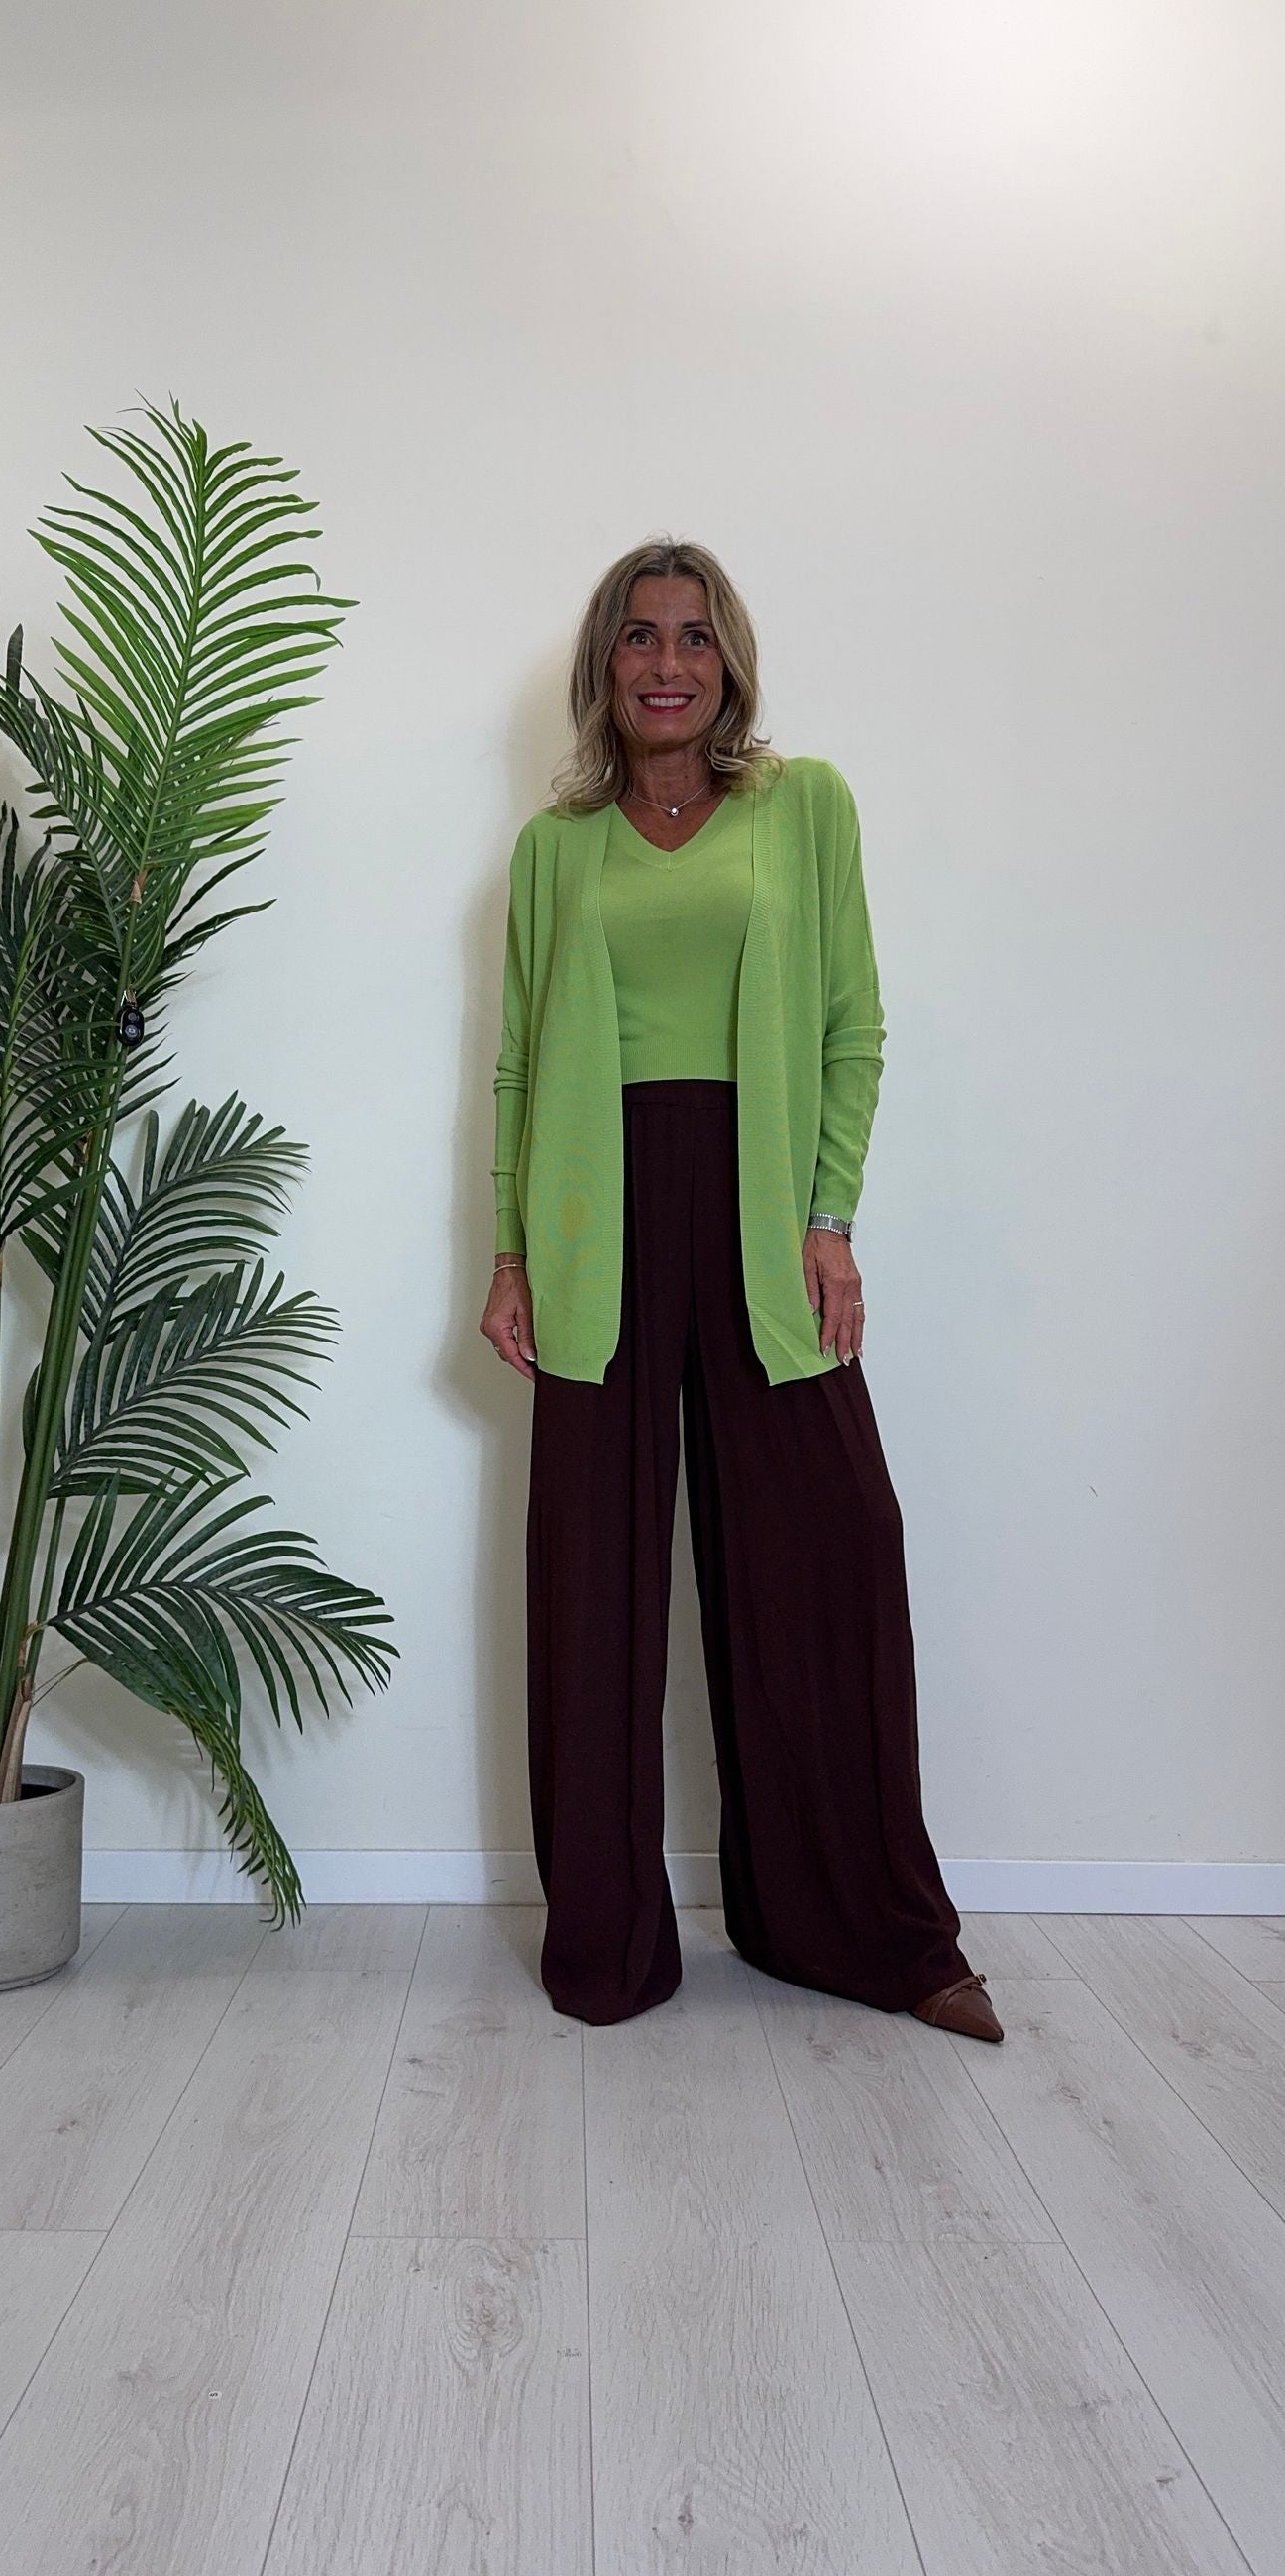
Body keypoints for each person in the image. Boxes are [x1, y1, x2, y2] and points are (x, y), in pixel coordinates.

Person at [480, 538, 1003, 2043]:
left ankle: (865, 1933)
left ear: (731, 663)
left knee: (832, 1552)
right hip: (594, 1220)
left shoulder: (804, 805)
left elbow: (852, 1022)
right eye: (641, 637)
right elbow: (520, 1064)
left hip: (764, 1216)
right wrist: (510, 1254)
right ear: (605, 665)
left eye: (695, 637)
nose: (668, 664)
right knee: (594, 1585)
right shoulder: (555, 848)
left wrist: (829, 1218)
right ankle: (609, 1942)